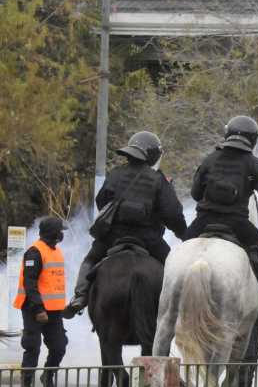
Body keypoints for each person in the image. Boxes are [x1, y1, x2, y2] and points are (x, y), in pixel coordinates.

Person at [64, 131, 187, 318]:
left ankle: (80, 297)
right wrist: (183, 234)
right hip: (148, 240)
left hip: (113, 237)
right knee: (172, 266)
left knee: (90, 259)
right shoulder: (158, 180)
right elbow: (172, 213)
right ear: (153, 155)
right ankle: (181, 306)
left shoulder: (115, 174)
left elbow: (101, 201)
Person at [183, 116, 258, 327]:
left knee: (174, 257)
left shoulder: (210, 159)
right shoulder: (256, 165)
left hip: (203, 221)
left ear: (227, 134)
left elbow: (195, 194)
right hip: (238, 224)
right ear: (253, 140)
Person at [13, 217, 70, 387]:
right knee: (32, 346)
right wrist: (38, 309)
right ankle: (27, 385)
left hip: (53, 311)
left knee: (59, 346)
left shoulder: (57, 252)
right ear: (53, 233)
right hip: (33, 309)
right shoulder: (34, 252)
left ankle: (48, 376)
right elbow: (30, 284)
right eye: (59, 231)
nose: (62, 234)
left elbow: (53, 284)